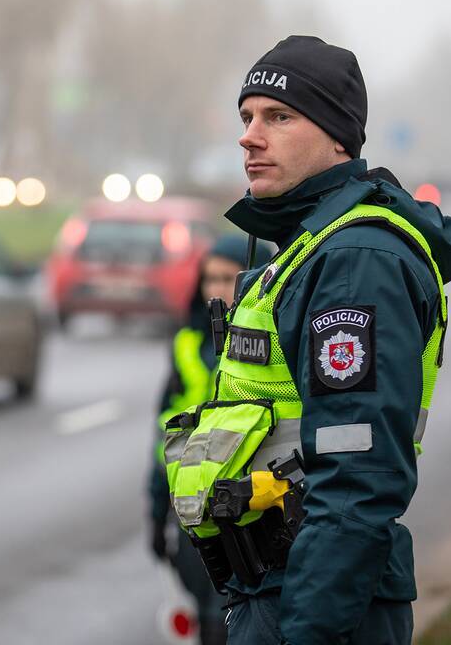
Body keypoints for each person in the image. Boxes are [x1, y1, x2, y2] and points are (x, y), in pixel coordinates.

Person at [162, 36, 451, 644]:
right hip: (279, 590)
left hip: (315, 603)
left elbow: (357, 477)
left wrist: (308, 631)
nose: (250, 135)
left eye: (278, 117)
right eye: (247, 117)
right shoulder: (308, 247)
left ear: (337, 138)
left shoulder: (355, 260)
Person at [148, 234, 270, 645]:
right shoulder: (187, 342)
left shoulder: (266, 343)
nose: (215, 289)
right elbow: (163, 434)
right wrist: (155, 509)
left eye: (227, 278)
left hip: (250, 503)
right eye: (208, 278)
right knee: (209, 618)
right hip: (193, 505)